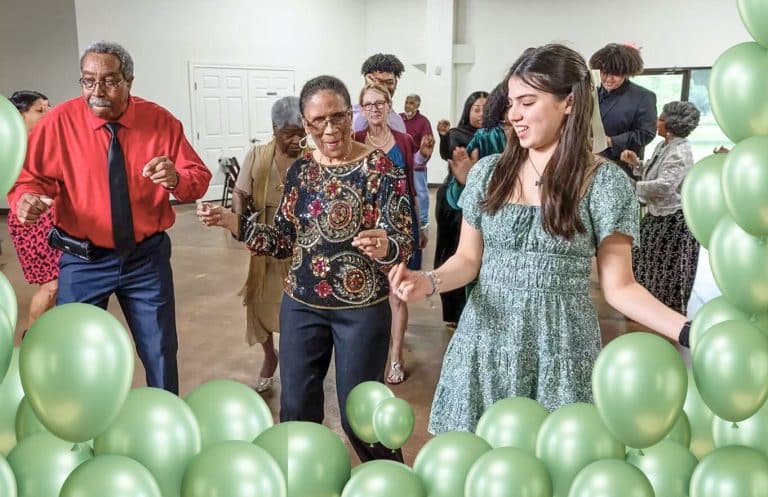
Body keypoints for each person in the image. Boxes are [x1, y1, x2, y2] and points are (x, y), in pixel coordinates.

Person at [390, 44, 691, 434]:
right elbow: (467, 260)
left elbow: (622, 288)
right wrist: (427, 282)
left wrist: (689, 330)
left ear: (568, 102)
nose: (513, 114)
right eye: (512, 102)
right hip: (485, 340)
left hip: (561, 348)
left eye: (527, 102)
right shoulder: (487, 173)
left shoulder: (604, 183)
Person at [198, 75, 413, 462]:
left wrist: (386, 246)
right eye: (317, 121)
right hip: (301, 306)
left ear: (352, 114)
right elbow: (281, 239)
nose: (329, 130)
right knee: (296, 411)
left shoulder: (381, 168)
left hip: (360, 310)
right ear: (305, 122)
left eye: (338, 117)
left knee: (361, 415)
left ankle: (390, 481)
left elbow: (404, 239)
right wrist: (234, 222)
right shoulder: (301, 171)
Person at [9, 41, 212, 394]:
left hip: (145, 259)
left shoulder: (160, 122)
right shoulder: (58, 123)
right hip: (82, 258)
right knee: (75, 351)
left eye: (109, 81)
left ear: (129, 81)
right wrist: (24, 199)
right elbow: (29, 177)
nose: (97, 92)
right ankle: (79, 432)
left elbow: (198, 177)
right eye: (88, 81)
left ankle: (164, 424)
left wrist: (178, 179)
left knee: (160, 350)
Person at [228, 96, 306, 392]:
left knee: (296, 306)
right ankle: (269, 355)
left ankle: (294, 359)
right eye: (289, 134)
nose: (296, 139)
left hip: (300, 243)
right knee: (259, 305)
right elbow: (240, 192)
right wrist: (239, 220)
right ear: (274, 129)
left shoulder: (311, 157)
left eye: (301, 132)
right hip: (264, 240)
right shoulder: (258, 154)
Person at [355, 83, 423, 384]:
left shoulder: (405, 141)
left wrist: (419, 225)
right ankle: (368, 353)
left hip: (397, 230)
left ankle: (396, 357)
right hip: (363, 231)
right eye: (367, 104)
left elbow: (411, 185)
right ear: (361, 109)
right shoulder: (354, 140)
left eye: (379, 102)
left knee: (397, 295)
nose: (374, 109)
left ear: (389, 105)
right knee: (366, 296)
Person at [621, 101, 701, 313]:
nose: (657, 122)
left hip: (672, 220)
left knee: (663, 266)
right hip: (658, 214)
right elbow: (652, 171)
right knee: (641, 255)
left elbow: (665, 186)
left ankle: (661, 308)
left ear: (672, 125)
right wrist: (636, 163)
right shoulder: (664, 145)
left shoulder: (680, 152)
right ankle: (646, 301)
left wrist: (632, 186)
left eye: (661, 119)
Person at [434, 91, 487, 329]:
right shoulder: (459, 133)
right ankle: (454, 312)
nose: (481, 114)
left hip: (482, 199)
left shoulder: (492, 135)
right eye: (476, 108)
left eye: (486, 109)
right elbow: (449, 152)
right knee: (453, 252)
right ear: (468, 110)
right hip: (453, 202)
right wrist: (444, 136)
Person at [6, 91, 56, 332]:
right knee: (51, 285)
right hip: (31, 222)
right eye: (39, 110)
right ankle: (32, 338)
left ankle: (43, 335)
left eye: (49, 108)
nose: (48, 113)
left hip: (54, 218)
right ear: (19, 115)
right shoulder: (13, 148)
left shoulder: (46, 144)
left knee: (57, 286)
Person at [589, 43, 657, 178]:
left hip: (620, 166)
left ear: (626, 73)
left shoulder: (643, 96)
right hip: (587, 164)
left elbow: (646, 133)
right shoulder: (590, 93)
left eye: (615, 74)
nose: (608, 79)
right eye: (604, 73)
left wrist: (610, 141)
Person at [401, 93, 435, 249]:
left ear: (418, 105)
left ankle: (423, 223)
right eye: (407, 102)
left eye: (412, 103)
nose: (408, 105)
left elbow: (427, 142)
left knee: (420, 193)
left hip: (417, 164)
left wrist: (419, 158)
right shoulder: (398, 118)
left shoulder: (423, 122)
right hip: (401, 162)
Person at [353, 53, 407, 133]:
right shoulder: (351, 114)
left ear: (396, 84)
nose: (384, 87)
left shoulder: (397, 121)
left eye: (389, 82)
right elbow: (356, 132)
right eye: (379, 82)